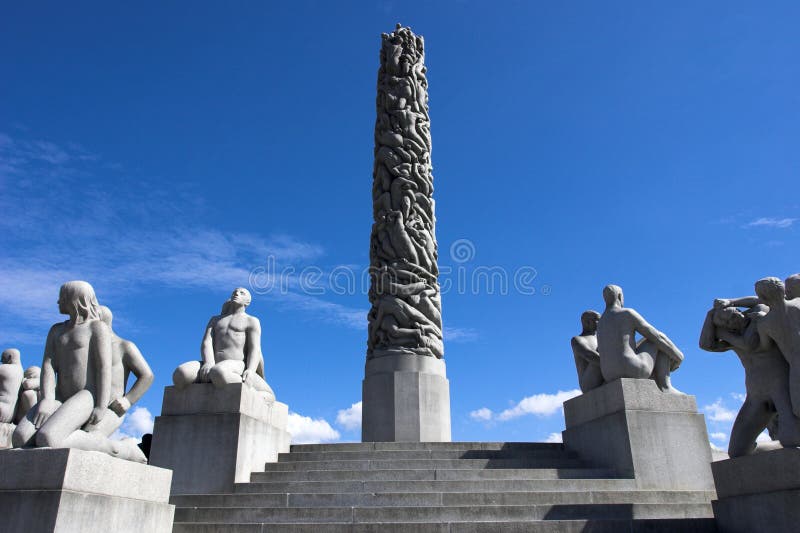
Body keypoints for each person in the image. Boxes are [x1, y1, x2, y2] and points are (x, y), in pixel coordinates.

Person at [12, 281, 143, 462]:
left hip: (86, 395)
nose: (58, 301)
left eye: (62, 297)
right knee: (20, 438)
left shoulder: (97, 329)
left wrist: (101, 405)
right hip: (59, 396)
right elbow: (48, 366)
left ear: (75, 300)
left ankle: (117, 448)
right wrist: (47, 400)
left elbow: (103, 369)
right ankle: (74, 434)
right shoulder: (56, 330)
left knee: (48, 438)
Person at [699, 302, 800, 456]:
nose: (732, 320)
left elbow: (762, 303)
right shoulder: (732, 339)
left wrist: (733, 302)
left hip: (781, 387)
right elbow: (706, 344)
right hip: (756, 396)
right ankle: (774, 447)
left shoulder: (759, 319)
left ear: (739, 310)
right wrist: (709, 315)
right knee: (737, 451)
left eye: (733, 313)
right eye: (726, 322)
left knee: (793, 439)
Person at [173, 288, 274, 400]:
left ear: (247, 302)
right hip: (212, 363)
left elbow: (255, 349)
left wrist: (250, 370)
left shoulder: (251, 321)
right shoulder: (215, 320)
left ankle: (254, 393)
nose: (237, 293)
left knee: (218, 372)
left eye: (242, 293)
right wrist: (208, 362)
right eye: (235, 291)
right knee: (180, 374)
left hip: (237, 365)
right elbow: (207, 342)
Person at [597, 285, 684, 393]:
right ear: (619, 296)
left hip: (608, 374)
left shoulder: (600, 323)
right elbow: (657, 336)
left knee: (643, 341)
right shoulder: (626, 313)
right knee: (659, 341)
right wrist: (678, 356)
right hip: (633, 368)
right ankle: (665, 386)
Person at [749, 277, 800, 417]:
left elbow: (764, 347)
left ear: (763, 298)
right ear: (783, 290)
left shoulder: (765, 323)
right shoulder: (797, 304)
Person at [571, 311, 604, 393]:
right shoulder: (577, 339)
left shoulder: (600, 337)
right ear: (587, 322)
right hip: (588, 383)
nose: (600, 323)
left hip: (603, 372)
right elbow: (590, 355)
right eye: (597, 320)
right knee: (605, 347)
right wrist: (615, 362)